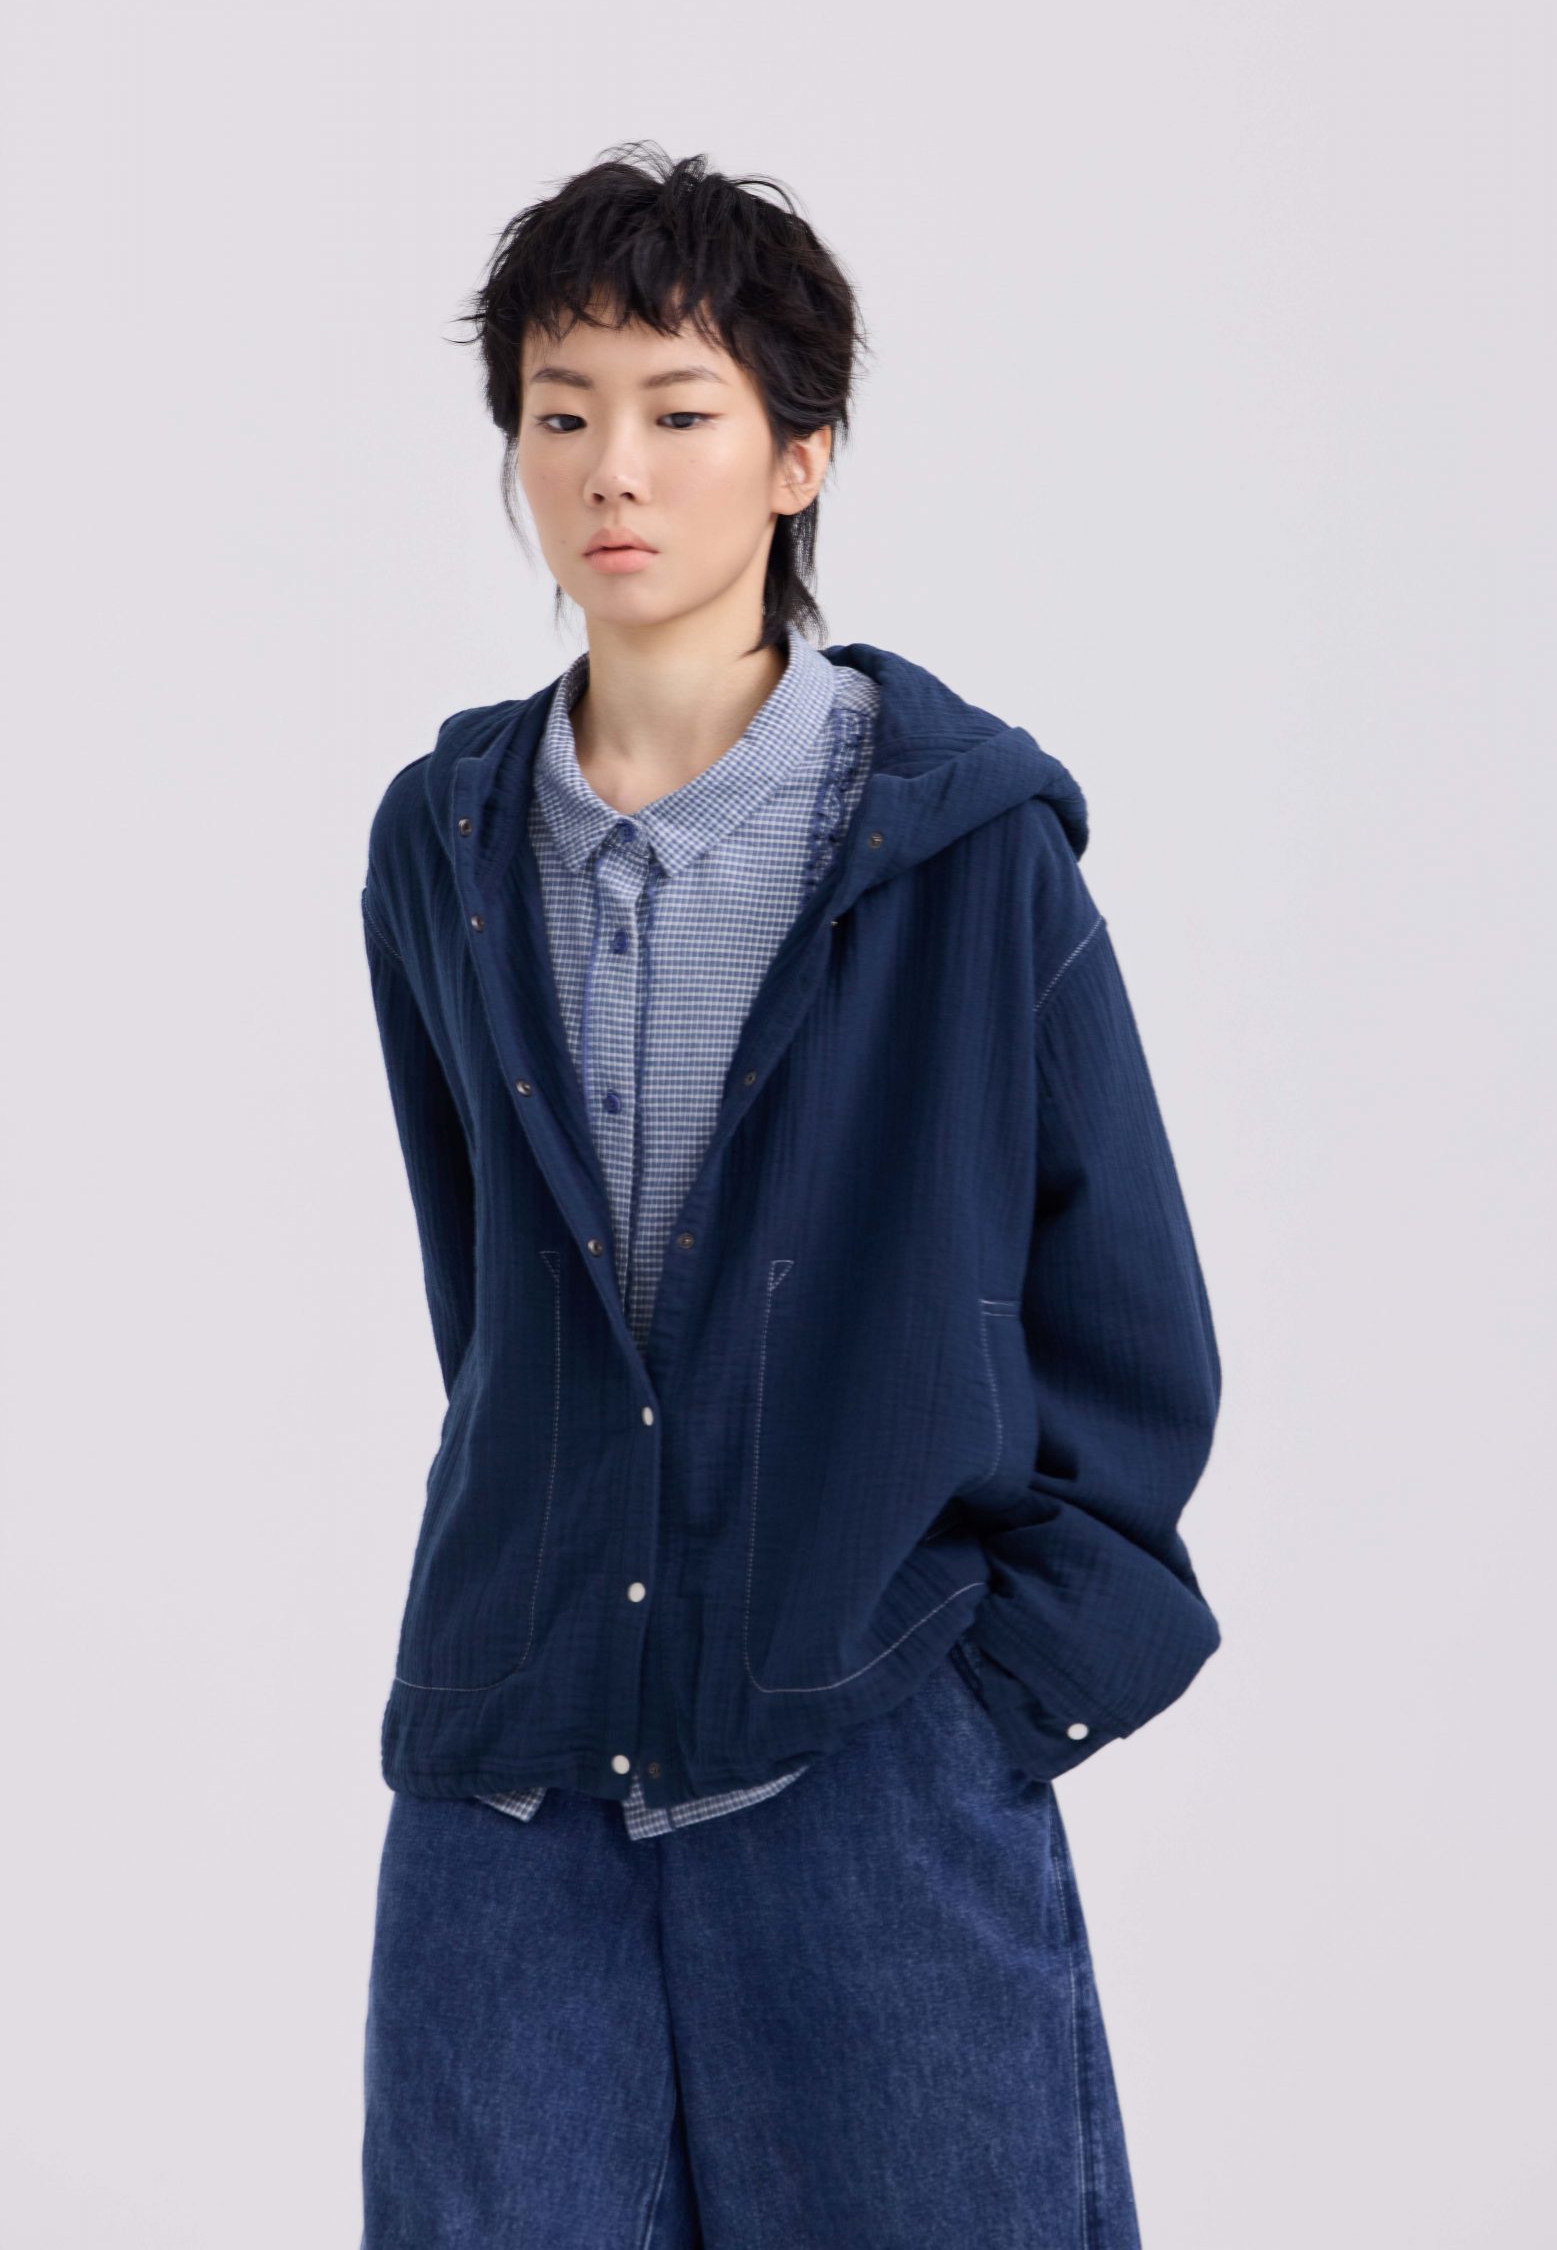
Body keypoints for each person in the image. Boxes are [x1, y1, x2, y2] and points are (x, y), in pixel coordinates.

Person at [356, 141, 1223, 2248]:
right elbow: (494, 1304)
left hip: (869, 1753)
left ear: (800, 455)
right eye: (558, 413)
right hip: (515, 1775)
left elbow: (1129, 1325)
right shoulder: (439, 845)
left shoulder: (965, 848)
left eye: (679, 413)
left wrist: (979, 1705)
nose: (609, 472)